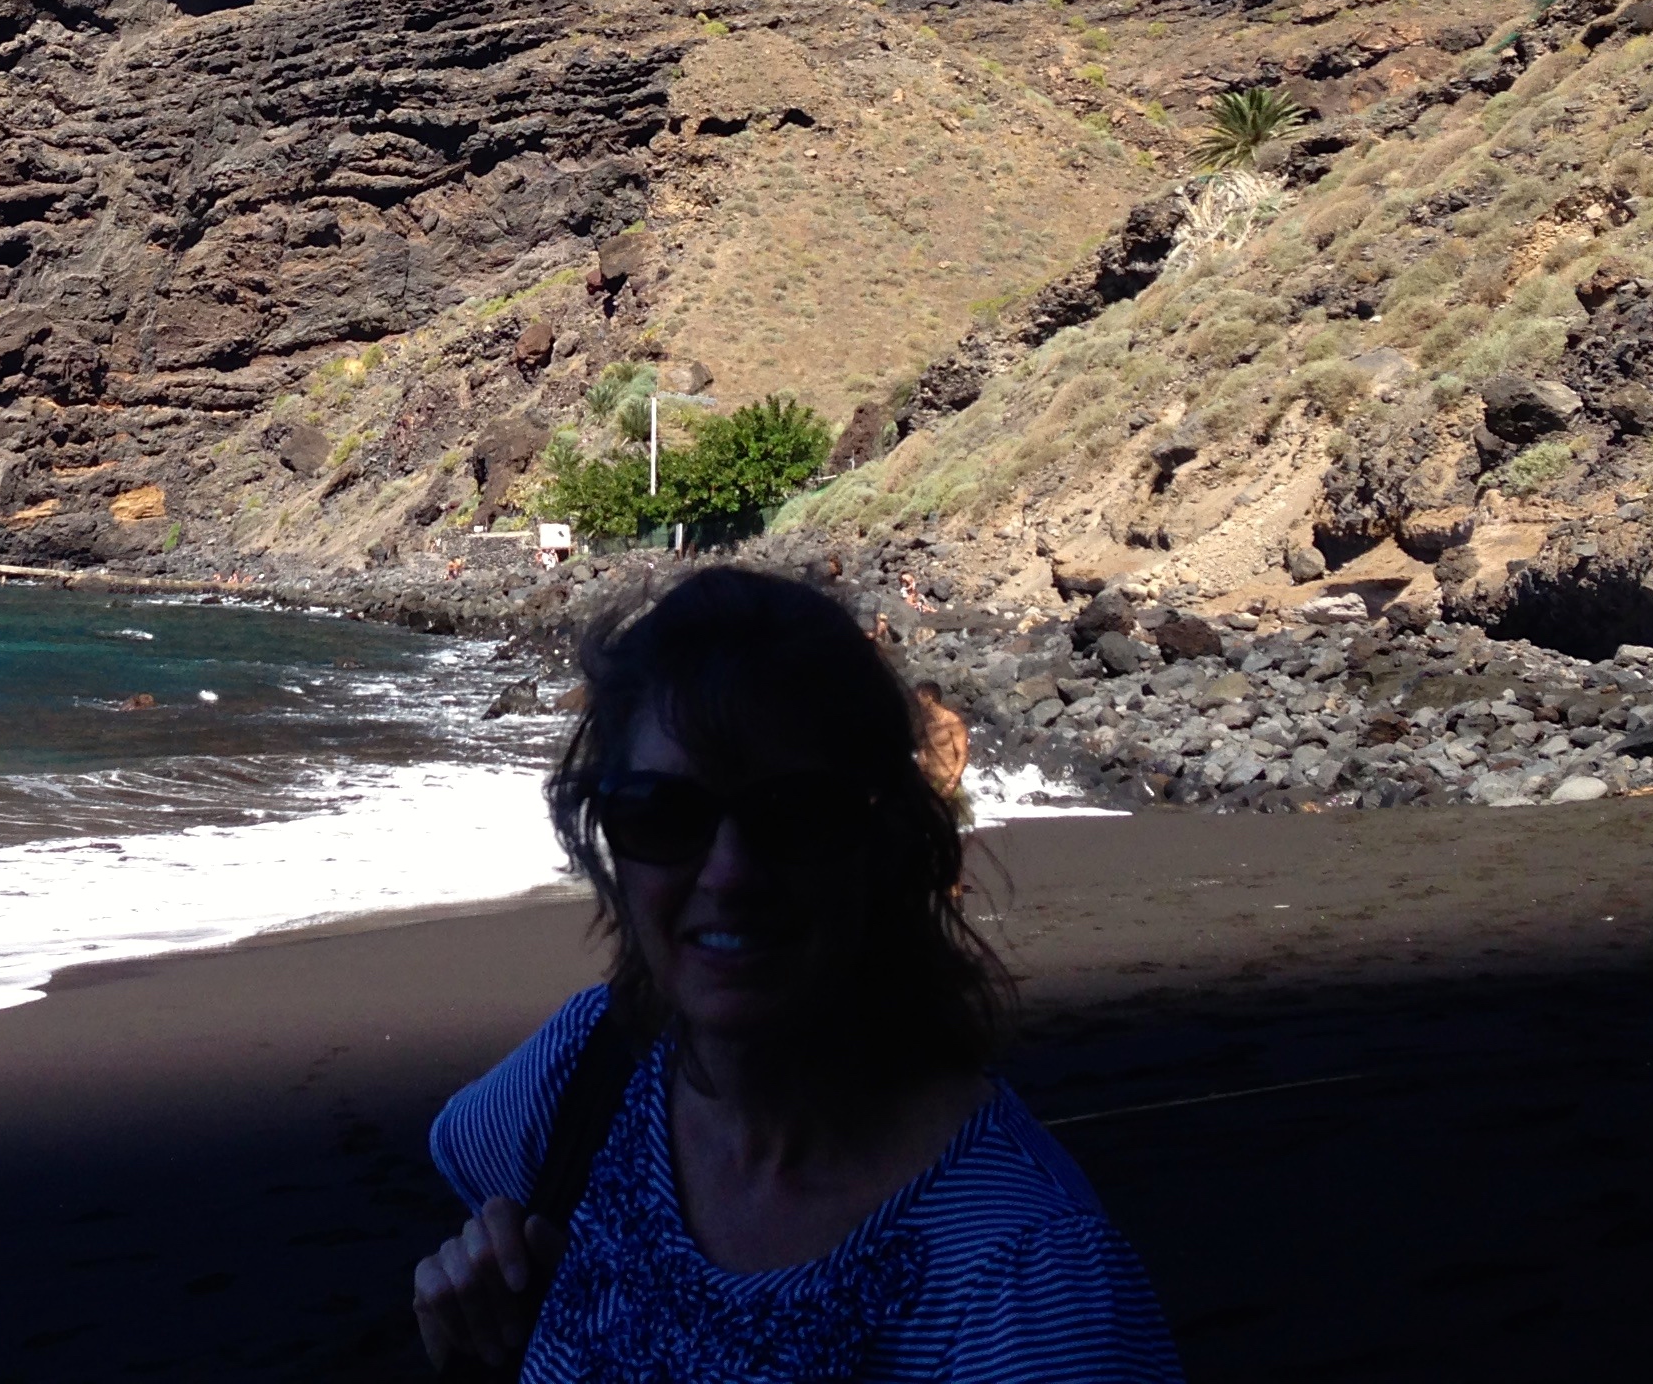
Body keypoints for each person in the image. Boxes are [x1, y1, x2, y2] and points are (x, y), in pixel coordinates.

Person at [413, 568, 1180, 1380]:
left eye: (798, 817)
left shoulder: (1030, 1284)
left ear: (887, 844)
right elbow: (468, 1184)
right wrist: (478, 1307)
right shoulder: (586, 1070)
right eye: (662, 815)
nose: (730, 874)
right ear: (604, 834)